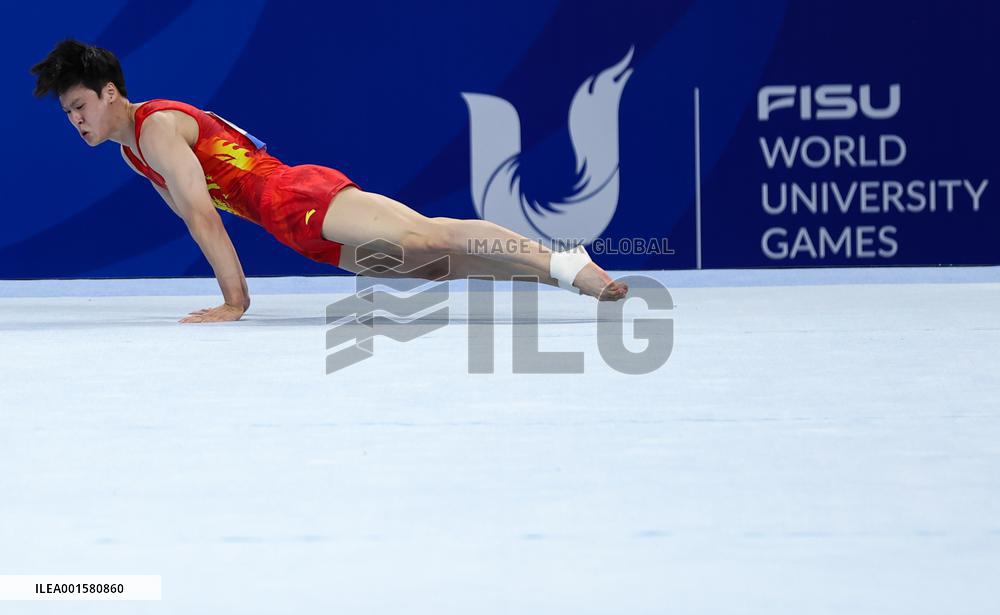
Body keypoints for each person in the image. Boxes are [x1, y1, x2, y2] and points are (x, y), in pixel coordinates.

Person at [31, 40, 629, 323]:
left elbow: (202, 216)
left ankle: (564, 261)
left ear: (111, 92)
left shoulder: (156, 126)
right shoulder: (132, 154)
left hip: (296, 195)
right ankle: (557, 277)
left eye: (81, 105)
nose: (77, 121)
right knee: (434, 267)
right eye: (69, 114)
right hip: (290, 227)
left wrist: (235, 303)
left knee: (429, 236)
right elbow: (201, 207)